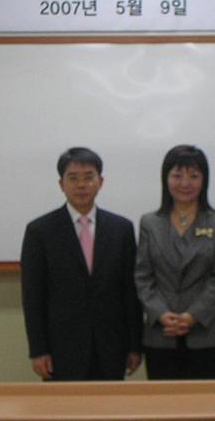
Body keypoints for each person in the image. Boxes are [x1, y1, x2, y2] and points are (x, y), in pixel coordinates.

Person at [21, 147, 142, 381]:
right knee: (65, 406)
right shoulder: (40, 231)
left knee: (110, 404)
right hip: (61, 348)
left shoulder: (121, 229)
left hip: (111, 345)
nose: (81, 185)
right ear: (61, 184)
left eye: (88, 177)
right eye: (73, 178)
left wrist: (134, 345)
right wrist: (38, 350)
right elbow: (32, 296)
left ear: (100, 182)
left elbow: (130, 292)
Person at [134, 145, 215, 380]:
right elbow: (143, 276)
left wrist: (193, 315)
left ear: (204, 180)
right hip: (161, 334)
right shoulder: (150, 222)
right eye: (177, 175)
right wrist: (160, 313)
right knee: (163, 403)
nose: (185, 183)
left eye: (194, 176)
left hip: (208, 334)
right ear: (166, 178)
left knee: (210, 402)